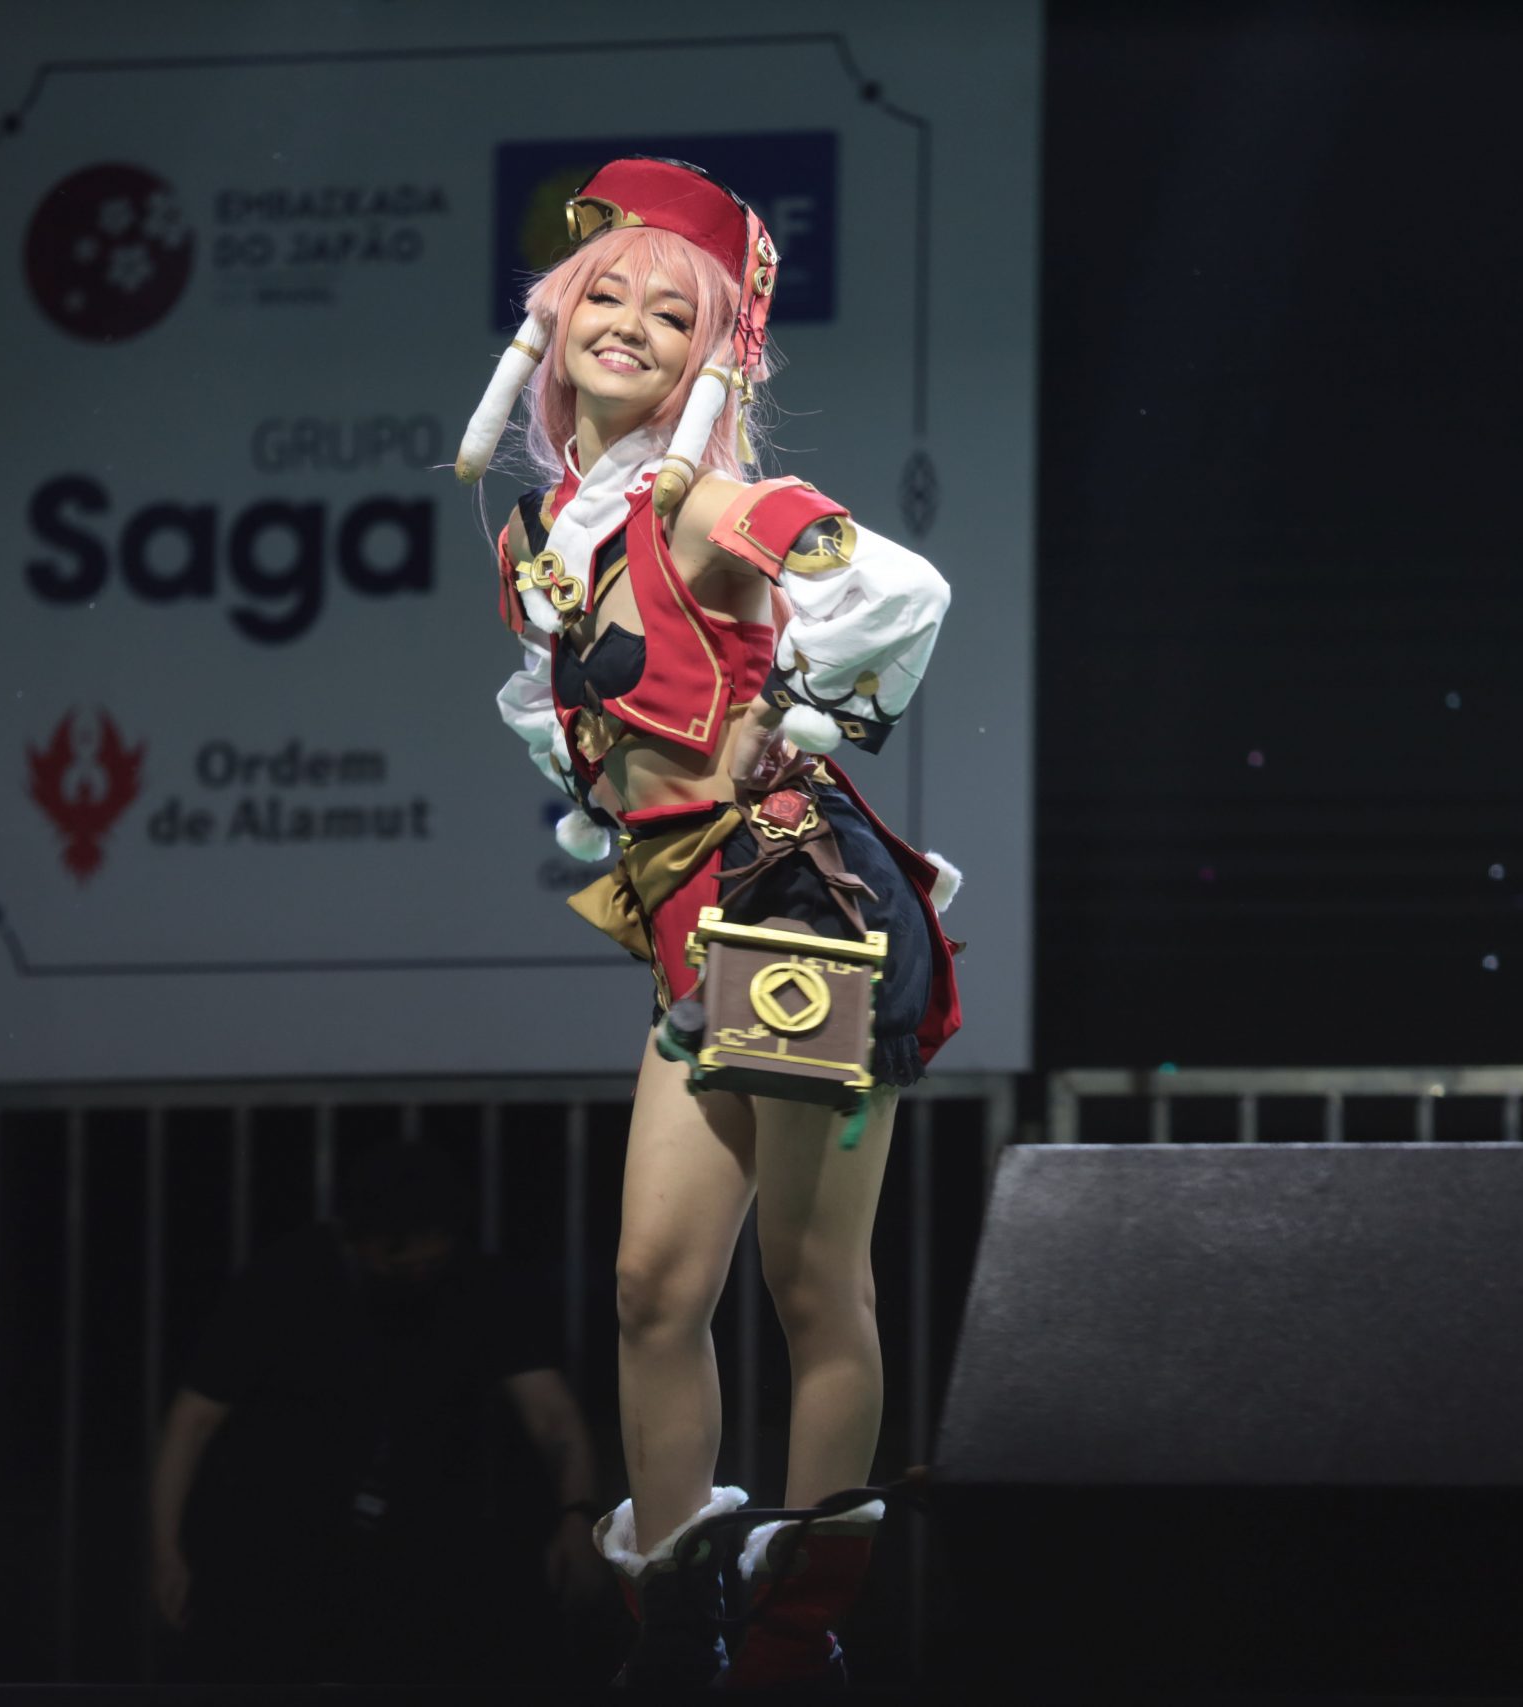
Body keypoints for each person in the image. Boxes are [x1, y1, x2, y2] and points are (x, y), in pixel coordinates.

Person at [455, 158, 963, 1687]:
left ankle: (796, 1629)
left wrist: (788, 714)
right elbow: (586, 732)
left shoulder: (711, 502)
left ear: (712, 357)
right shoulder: (546, 538)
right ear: (549, 325)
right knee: (651, 1289)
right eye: (599, 293)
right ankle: (679, 1625)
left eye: (670, 312)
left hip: (793, 907)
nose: (624, 321)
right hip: (701, 928)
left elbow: (900, 589)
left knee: (813, 1285)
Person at [150, 1140, 612, 1687]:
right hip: (278, 1547)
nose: (417, 1270)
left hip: (429, 1551)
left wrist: (578, 1518)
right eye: (397, 1259)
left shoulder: (476, 1284)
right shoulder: (284, 1281)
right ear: (355, 1240)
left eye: (431, 1259)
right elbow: (194, 1419)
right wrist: (166, 1551)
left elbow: (552, 1418)